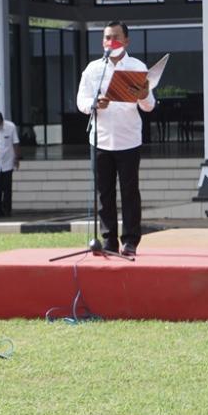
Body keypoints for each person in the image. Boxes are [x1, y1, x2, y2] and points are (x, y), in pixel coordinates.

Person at [76, 21, 155, 256]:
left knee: (130, 192)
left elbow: (149, 105)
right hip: (100, 139)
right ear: (103, 41)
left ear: (127, 40)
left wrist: (143, 95)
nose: (111, 42)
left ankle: (130, 240)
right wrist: (94, 105)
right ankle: (108, 239)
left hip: (128, 139)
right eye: (107, 37)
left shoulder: (137, 66)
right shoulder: (93, 69)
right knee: (104, 192)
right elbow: (81, 101)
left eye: (116, 37)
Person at [0, 111, 20, 217]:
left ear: (1, 120)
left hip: (8, 161)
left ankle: (7, 209)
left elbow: (15, 142)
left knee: (7, 188)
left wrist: (16, 158)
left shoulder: (10, 126)